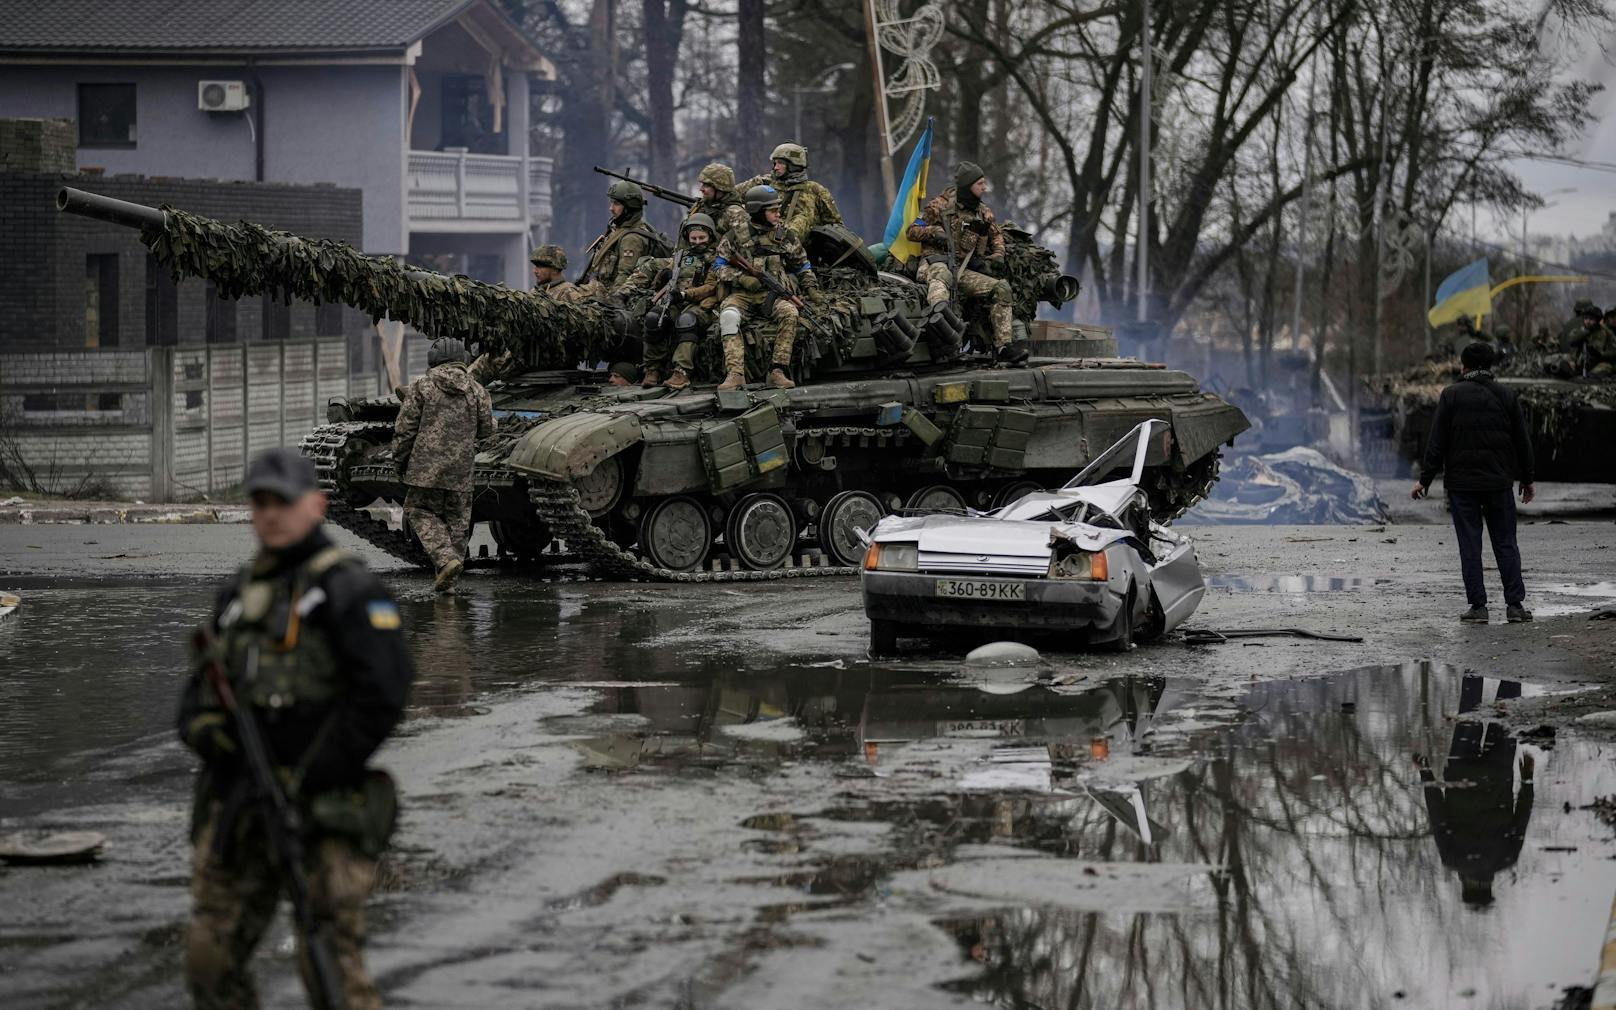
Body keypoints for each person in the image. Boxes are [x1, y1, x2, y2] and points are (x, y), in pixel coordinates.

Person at [178, 446, 414, 1010]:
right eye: (259, 503)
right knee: (210, 960)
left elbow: (383, 695)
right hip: (242, 802)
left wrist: (314, 768)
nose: (270, 515)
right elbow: (198, 696)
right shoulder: (239, 594)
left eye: (281, 502)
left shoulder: (349, 590)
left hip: (322, 805)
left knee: (331, 969)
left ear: (316, 504)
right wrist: (216, 736)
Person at [1412, 340, 1535, 623]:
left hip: (1462, 486)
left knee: (1470, 544)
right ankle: (1515, 606)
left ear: (1463, 366)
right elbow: (1522, 442)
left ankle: (1478, 608)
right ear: (1490, 366)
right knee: (1505, 543)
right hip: (1498, 483)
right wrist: (1527, 479)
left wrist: (1425, 480)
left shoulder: (1451, 395)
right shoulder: (1506, 396)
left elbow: (1437, 442)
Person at [1417, 675, 1534, 908]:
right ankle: (1473, 666)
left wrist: (1527, 779)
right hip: (1462, 772)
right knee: (1469, 713)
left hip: (1497, 774)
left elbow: (1522, 815)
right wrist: (1425, 772)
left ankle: (1512, 664)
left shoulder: (1506, 859)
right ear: (1465, 886)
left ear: (1488, 886)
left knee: (1506, 713)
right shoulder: (1452, 859)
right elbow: (1437, 813)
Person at [393, 337, 495, 593]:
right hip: (461, 470)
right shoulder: (477, 390)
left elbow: (405, 429)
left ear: (434, 359)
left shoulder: (422, 386)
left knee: (417, 509)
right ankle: (449, 577)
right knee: (458, 522)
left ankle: (444, 559)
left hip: (424, 469)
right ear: (462, 360)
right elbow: (485, 431)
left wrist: (399, 461)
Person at [907, 161, 1023, 363]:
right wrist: (934, 232)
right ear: (968, 185)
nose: (984, 188)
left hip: (962, 270)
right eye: (980, 183)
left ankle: (1004, 347)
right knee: (942, 278)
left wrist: (998, 253)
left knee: (1001, 288)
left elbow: (996, 235)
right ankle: (941, 334)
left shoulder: (982, 212)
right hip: (934, 264)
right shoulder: (939, 206)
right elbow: (912, 231)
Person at [714, 184, 822, 391]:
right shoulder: (735, 236)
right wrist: (742, 278)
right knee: (728, 316)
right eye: (772, 210)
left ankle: (777, 371)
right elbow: (718, 266)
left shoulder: (785, 235)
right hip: (742, 295)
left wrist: (811, 287)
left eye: (778, 208)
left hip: (773, 294)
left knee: (790, 313)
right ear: (757, 211)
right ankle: (735, 374)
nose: (777, 214)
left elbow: (801, 264)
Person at [639, 213, 722, 390]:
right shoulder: (680, 256)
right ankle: (652, 369)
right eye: (694, 238)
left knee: (687, 321)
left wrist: (685, 294)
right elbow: (662, 280)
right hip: (677, 301)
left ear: (710, 237)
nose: (698, 242)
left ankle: (681, 371)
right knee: (654, 318)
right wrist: (664, 277)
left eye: (702, 238)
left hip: (703, 305)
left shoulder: (716, 259)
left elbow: (710, 287)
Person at [740, 142, 843, 242]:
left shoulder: (815, 190)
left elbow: (835, 227)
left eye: (780, 163)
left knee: (802, 218)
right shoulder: (764, 183)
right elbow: (732, 197)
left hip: (802, 251)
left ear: (793, 165)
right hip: (761, 245)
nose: (776, 167)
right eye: (775, 163)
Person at [579, 180, 665, 296]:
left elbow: (624, 277)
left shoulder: (632, 238)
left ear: (629, 208)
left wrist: (610, 303)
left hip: (607, 297)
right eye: (611, 202)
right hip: (598, 290)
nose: (611, 208)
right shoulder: (620, 229)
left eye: (616, 204)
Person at [689, 163, 750, 239]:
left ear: (720, 188)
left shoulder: (735, 214)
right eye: (702, 184)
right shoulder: (703, 205)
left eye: (707, 185)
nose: (701, 189)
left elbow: (746, 246)